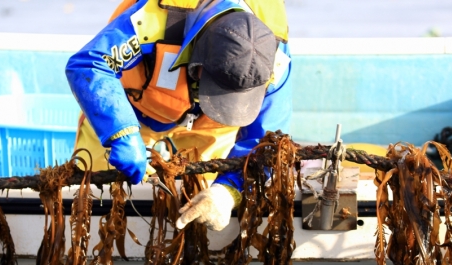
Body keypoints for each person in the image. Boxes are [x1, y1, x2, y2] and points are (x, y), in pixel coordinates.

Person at [66, 0, 291, 231]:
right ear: (198, 57)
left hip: (214, 126)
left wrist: (227, 191)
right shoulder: (151, 19)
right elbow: (90, 64)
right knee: (93, 191)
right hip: (133, 109)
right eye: (218, 89)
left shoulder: (275, 57)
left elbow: (265, 142)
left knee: (203, 200)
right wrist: (121, 133)